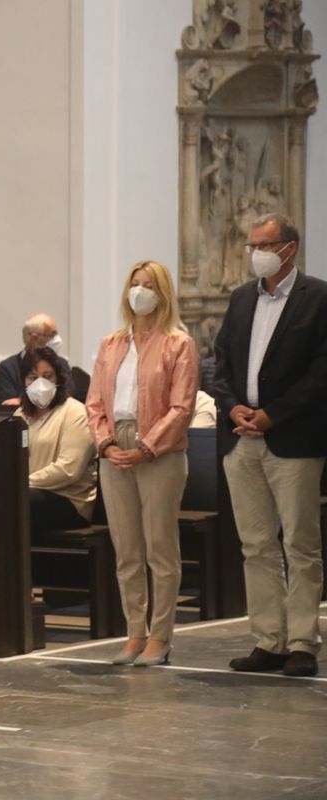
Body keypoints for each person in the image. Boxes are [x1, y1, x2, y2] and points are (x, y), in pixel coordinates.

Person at [212, 212, 327, 678]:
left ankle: (302, 642)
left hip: (293, 437)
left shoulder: (317, 297)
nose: (256, 253)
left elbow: (321, 372)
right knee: (256, 544)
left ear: (289, 248)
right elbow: (220, 362)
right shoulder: (242, 298)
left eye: (265, 245)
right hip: (242, 437)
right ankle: (269, 639)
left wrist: (274, 413)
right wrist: (232, 407)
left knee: (300, 544)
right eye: (252, 245)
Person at [86, 260, 198, 667]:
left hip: (160, 450)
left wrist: (147, 447)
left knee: (160, 548)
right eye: (135, 284)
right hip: (115, 446)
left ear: (162, 293)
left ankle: (160, 636)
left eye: (149, 285)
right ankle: (135, 631)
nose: (140, 292)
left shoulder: (178, 343)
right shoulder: (112, 343)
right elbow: (94, 402)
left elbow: (181, 407)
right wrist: (106, 443)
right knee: (127, 549)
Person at [13, 347, 96, 535]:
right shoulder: (20, 415)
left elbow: (68, 470)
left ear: (59, 379)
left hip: (69, 500)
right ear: (24, 381)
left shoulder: (76, 413)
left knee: (17, 502)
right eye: (33, 377)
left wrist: (21, 483)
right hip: (28, 491)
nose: (40, 383)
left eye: (47, 376)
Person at [0, 313, 78, 404]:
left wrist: (23, 401)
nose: (57, 339)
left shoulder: (61, 363)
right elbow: (9, 402)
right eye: (52, 335)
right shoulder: (8, 367)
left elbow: (68, 394)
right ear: (35, 337)